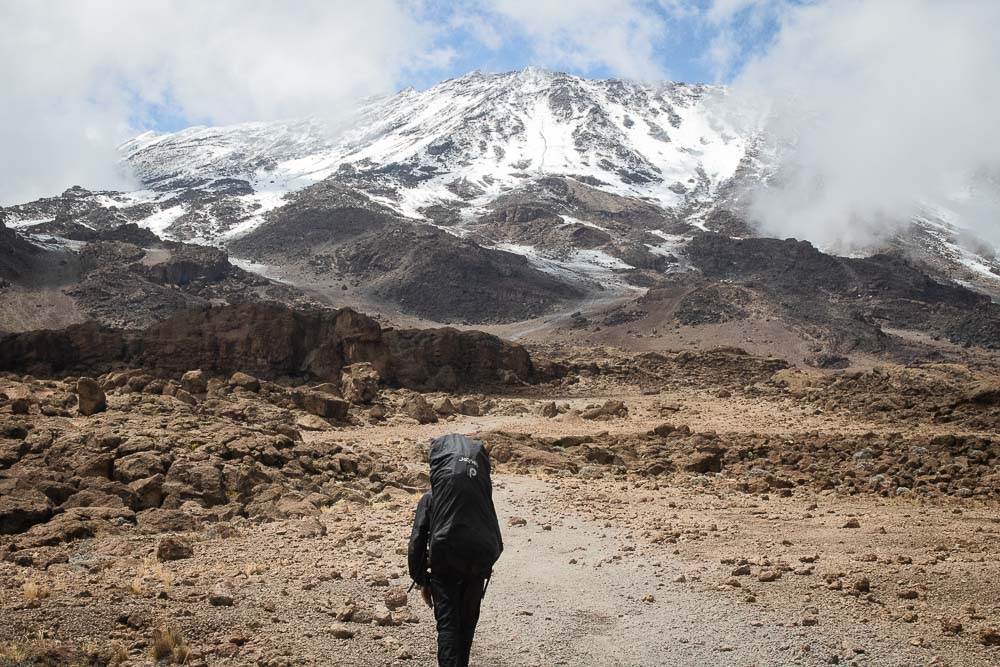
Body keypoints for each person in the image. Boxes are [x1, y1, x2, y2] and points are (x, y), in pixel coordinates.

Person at [408, 434, 503, 667]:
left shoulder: (431, 499)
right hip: (477, 563)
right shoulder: (478, 498)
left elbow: (417, 540)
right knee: (467, 625)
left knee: (448, 627)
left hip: (445, 563)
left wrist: (421, 579)